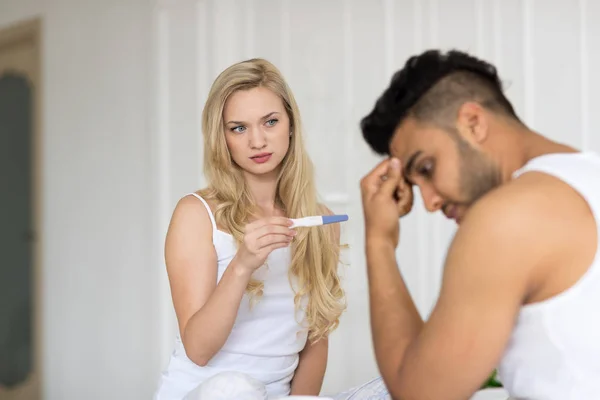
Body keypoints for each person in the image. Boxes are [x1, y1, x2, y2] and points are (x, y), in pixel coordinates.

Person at [358, 49, 600, 400]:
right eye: (414, 184)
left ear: (473, 122)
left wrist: (379, 242)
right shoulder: (588, 176)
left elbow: (419, 393)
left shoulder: (507, 217)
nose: (428, 202)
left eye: (426, 168)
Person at [154, 58, 346, 400]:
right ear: (222, 138)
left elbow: (317, 338)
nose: (257, 141)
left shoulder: (320, 222)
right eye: (238, 128)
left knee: (400, 388)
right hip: (210, 392)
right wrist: (242, 265)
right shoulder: (197, 215)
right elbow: (198, 349)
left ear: (290, 125)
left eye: (270, 122)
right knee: (236, 390)